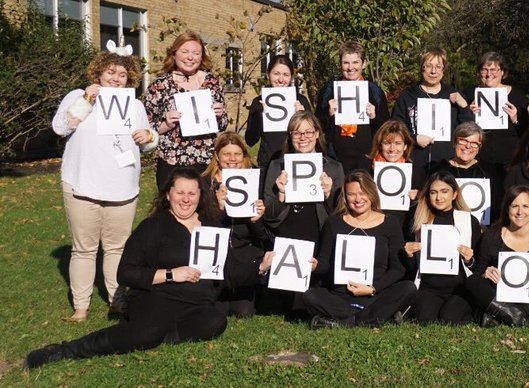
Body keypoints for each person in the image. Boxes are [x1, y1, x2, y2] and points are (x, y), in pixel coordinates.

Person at [25, 169, 233, 369]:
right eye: (179, 192)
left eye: (191, 193)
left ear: (200, 196)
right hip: (157, 297)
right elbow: (125, 273)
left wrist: (262, 266)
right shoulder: (152, 226)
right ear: (168, 194)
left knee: (215, 321)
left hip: (195, 303)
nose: (185, 199)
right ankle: (66, 350)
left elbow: (230, 268)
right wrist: (171, 274)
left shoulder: (212, 226)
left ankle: (161, 334)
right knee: (146, 333)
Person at [52, 48, 158, 322]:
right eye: (111, 72)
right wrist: (88, 98)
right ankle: (81, 307)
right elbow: (61, 127)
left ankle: (117, 301)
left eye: (122, 74)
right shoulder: (78, 96)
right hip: (82, 184)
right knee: (84, 249)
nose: (116, 78)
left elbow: (149, 143)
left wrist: (149, 135)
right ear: (98, 71)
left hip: (122, 187)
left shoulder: (134, 105)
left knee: (117, 248)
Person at [303, 171, 418, 328]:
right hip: (340, 294)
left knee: (408, 288)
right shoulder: (333, 223)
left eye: (362, 193)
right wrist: (316, 265)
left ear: (371, 193)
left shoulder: (390, 223)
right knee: (310, 295)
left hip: (376, 293)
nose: (357, 199)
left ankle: (344, 321)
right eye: (351, 194)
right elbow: (325, 262)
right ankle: (370, 318)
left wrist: (371, 289)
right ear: (345, 196)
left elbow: (397, 269)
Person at [465, 185, 529, 331]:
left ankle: (504, 317)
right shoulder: (491, 236)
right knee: (472, 281)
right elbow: (478, 273)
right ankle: (527, 321)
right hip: (499, 298)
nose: (520, 212)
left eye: (525, 206)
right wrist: (485, 274)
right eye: (514, 206)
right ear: (507, 209)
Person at [144, 31, 228, 190]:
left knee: (205, 209)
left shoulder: (212, 82)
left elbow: (222, 124)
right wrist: (166, 124)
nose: (190, 57)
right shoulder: (160, 85)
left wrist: (219, 114)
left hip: (205, 161)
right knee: (171, 209)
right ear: (174, 54)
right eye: (185, 52)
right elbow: (146, 128)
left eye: (196, 53)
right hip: (172, 162)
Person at [201, 132, 272, 318]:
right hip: (216, 255)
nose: (232, 159)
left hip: (245, 253)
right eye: (226, 154)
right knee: (218, 310)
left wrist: (256, 219)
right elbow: (201, 228)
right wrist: (217, 208)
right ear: (217, 156)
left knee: (243, 312)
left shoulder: (255, 180)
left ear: (244, 156)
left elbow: (263, 235)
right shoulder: (204, 183)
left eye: (237, 154)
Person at [404, 172, 483, 325]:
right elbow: (412, 269)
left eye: (444, 191)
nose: (438, 197)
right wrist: (409, 255)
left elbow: (478, 264)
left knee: (449, 319)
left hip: (459, 287)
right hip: (429, 287)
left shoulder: (469, 220)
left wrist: (469, 260)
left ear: (454, 194)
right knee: (425, 319)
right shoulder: (419, 220)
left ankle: (474, 311)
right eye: (433, 192)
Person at [262, 112, 345, 245]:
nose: (303, 137)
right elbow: (268, 216)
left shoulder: (334, 168)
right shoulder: (276, 166)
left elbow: (342, 214)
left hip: (321, 237)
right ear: (290, 136)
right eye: (296, 133)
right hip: (286, 235)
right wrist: (281, 195)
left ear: (317, 134)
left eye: (308, 132)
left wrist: (329, 194)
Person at [393, 47, 475, 169]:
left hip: (446, 161)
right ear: (422, 68)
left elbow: (469, 130)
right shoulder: (408, 96)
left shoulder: (454, 95)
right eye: (428, 66)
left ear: (443, 70)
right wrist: (415, 138)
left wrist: (464, 106)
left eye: (438, 67)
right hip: (415, 160)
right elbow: (395, 127)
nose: (433, 71)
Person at [316, 41, 388, 174]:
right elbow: (317, 126)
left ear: (364, 63)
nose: (350, 68)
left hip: (366, 158)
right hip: (335, 158)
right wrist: (328, 113)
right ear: (340, 64)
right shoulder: (329, 90)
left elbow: (386, 127)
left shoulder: (374, 91)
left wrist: (374, 117)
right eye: (346, 63)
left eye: (355, 62)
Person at [428, 122, 506, 226]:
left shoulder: (490, 172)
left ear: (479, 147)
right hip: (447, 229)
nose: (468, 146)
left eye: (474, 143)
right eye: (463, 141)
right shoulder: (438, 171)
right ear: (454, 142)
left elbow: (498, 205)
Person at [463, 52, 529, 165]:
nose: (489, 74)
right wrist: (468, 114)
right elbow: (460, 128)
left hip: (509, 161)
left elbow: (527, 132)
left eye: (494, 70)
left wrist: (515, 119)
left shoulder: (517, 96)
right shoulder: (469, 94)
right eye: (484, 69)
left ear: (503, 72)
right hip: (476, 160)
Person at [245, 55, 313, 168]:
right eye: (276, 74)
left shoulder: (301, 101)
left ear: (291, 77)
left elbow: (313, 136)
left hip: (297, 161)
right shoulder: (259, 102)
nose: (281, 79)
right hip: (268, 163)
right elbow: (250, 140)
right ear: (268, 75)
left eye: (285, 75)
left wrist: (302, 116)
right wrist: (259, 116)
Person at [368, 119, 421, 238]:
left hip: (403, 227)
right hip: (373, 225)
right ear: (380, 145)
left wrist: (418, 196)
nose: (392, 149)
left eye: (398, 143)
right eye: (387, 143)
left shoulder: (416, 171)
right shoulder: (367, 170)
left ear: (405, 146)